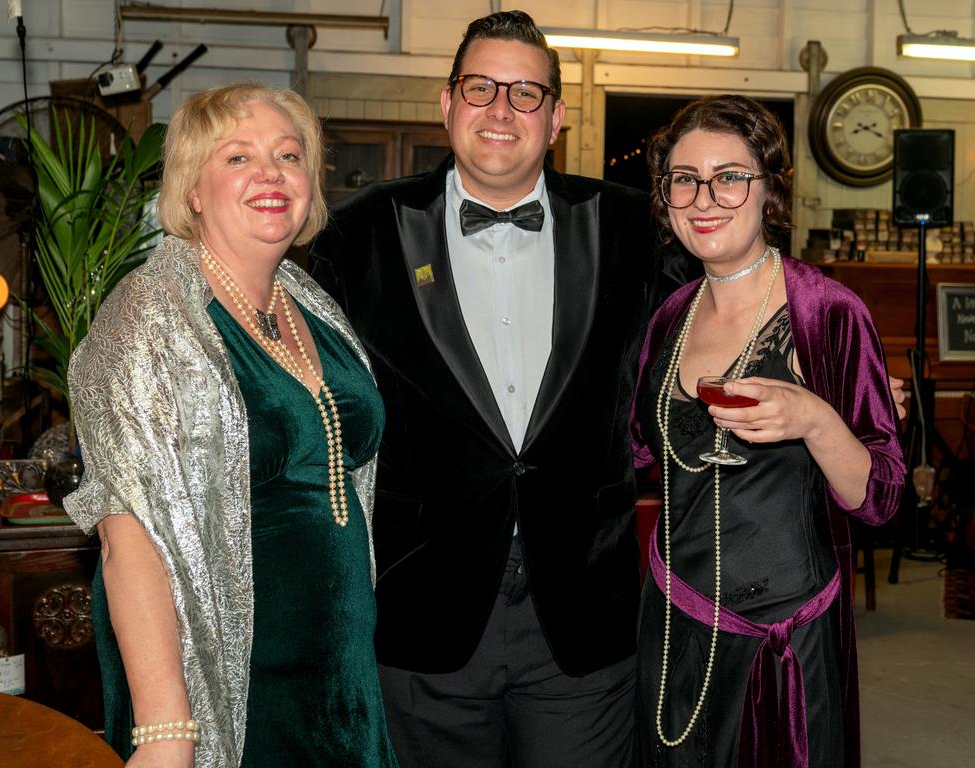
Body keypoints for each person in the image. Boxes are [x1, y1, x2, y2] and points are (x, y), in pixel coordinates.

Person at [309, 10, 693, 767]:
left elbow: (719, 309)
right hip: (422, 607)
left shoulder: (633, 229)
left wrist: (813, 356)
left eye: (526, 93)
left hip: (582, 611)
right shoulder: (360, 233)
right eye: (481, 87)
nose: (501, 109)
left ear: (556, 119)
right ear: (446, 103)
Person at [64, 83, 398, 768]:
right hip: (225, 682)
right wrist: (166, 732)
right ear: (193, 188)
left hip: (341, 676)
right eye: (239, 157)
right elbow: (127, 536)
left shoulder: (309, 303)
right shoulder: (146, 320)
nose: (271, 174)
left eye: (288, 155)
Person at [629, 94, 905, 768]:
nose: (705, 197)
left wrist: (814, 417)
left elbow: (882, 496)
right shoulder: (670, 316)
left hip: (786, 637)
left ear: (768, 191)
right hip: (676, 621)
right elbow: (643, 453)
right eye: (684, 179)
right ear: (666, 198)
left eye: (729, 176)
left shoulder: (828, 312)